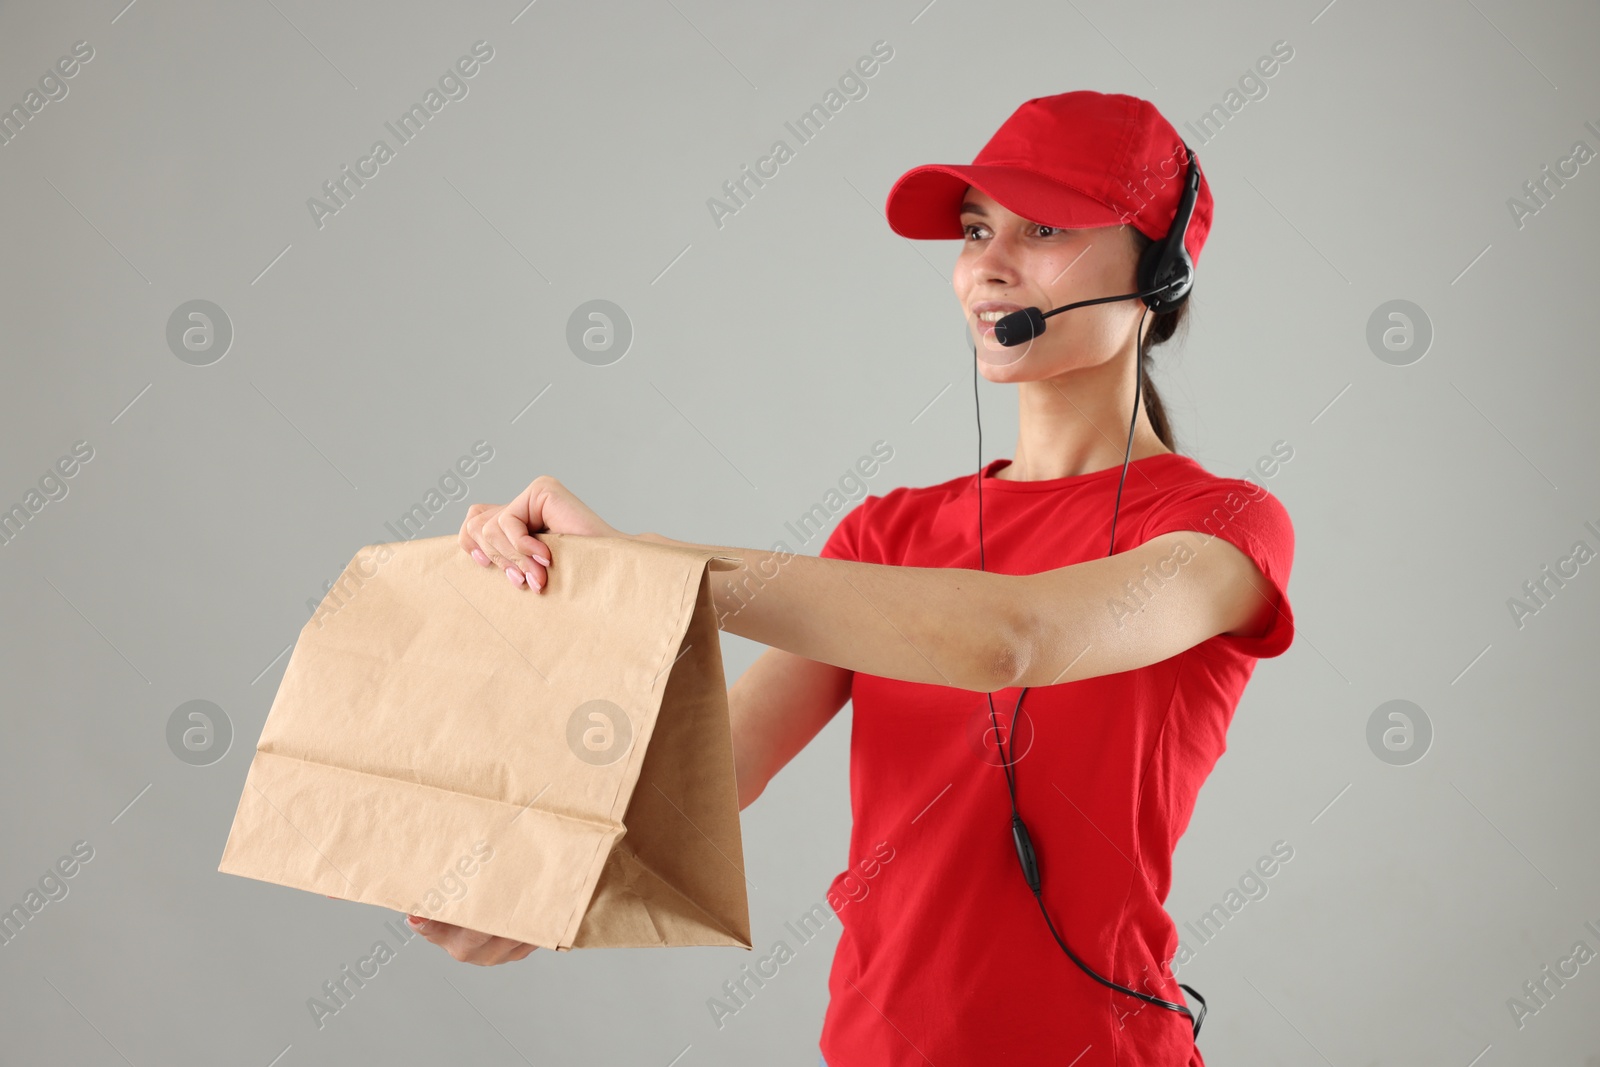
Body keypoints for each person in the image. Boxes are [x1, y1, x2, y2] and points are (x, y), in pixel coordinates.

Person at [417, 90, 1296, 1067]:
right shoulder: (887, 530)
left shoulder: (1220, 529)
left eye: (1042, 228)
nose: (987, 267)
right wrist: (531, 874)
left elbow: (1013, 638)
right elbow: (719, 768)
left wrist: (659, 569)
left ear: (1160, 272)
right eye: (974, 231)